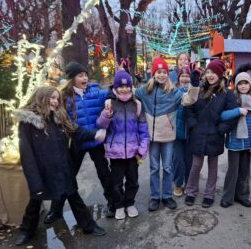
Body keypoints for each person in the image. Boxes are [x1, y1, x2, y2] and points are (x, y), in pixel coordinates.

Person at [14, 86, 106, 246]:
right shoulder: (27, 123)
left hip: (63, 166)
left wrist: (94, 134)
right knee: (35, 201)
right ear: (41, 98)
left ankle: (89, 225)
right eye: (52, 98)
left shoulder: (59, 118)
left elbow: (77, 131)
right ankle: (26, 231)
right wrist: (34, 181)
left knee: (73, 196)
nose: (56, 102)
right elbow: (26, 154)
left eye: (57, 99)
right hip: (42, 170)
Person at [45, 62, 114, 223]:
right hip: (76, 141)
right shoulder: (64, 97)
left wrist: (110, 98)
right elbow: (60, 117)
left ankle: (113, 203)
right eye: (80, 75)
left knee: (104, 173)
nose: (84, 78)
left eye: (85, 74)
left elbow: (112, 92)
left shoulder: (95, 91)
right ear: (72, 79)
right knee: (67, 175)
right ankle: (55, 210)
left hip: (96, 142)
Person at [133, 57, 200, 211]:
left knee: (168, 167)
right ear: (153, 73)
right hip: (152, 137)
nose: (162, 75)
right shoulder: (146, 90)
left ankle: (168, 196)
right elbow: (129, 92)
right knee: (154, 167)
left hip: (168, 136)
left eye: (164, 72)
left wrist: (194, 84)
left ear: (168, 74)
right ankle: (155, 197)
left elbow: (189, 99)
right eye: (159, 72)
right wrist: (120, 79)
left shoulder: (173, 91)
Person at [184, 59, 239, 208]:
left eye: (213, 72)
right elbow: (188, 108)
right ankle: (191, 191)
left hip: (215, 134)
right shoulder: (199, 89)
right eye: (208, 72)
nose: (210, 75)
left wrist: (221, 129)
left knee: (212, 166)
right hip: (198, 133)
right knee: (196, 164)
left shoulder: (227, 94)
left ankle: (209, 194)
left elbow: (232, 115)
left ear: (220, 74)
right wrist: (192, 124)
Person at [97, 71, 150, 220]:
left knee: (133, 180)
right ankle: (119, 205)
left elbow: (143, 129)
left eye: (127, 87)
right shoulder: (110, 103)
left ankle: (129, 203)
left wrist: (142, 148)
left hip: (134, 152)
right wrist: (106, 115)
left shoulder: (137, 105)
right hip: (115, 152)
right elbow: (100, 125)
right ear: (116, 87)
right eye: (121, 86)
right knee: (116, 182)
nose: (124, 90)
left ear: (131, 87)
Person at [220, 72, 251, 208]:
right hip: (234, 142)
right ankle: (227, 197)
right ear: (236, 85)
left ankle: (242, 196)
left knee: (244, 171)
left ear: (250, 84)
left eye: (246, 83)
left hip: (248, 142)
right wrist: (238, 111)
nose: (243, 86)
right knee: (233, 171)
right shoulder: (232, 98)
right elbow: (223, 115)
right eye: (240, 83)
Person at [172, 65, 193, 197]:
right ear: (179, 78)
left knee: (190, 161)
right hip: (177, 133)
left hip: (191, 133)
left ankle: (189, 184)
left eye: (187, 76)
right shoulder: (173, 91)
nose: (185, 79)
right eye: (182, 76)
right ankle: (178, 184)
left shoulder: (196, 91)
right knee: (178, 160)